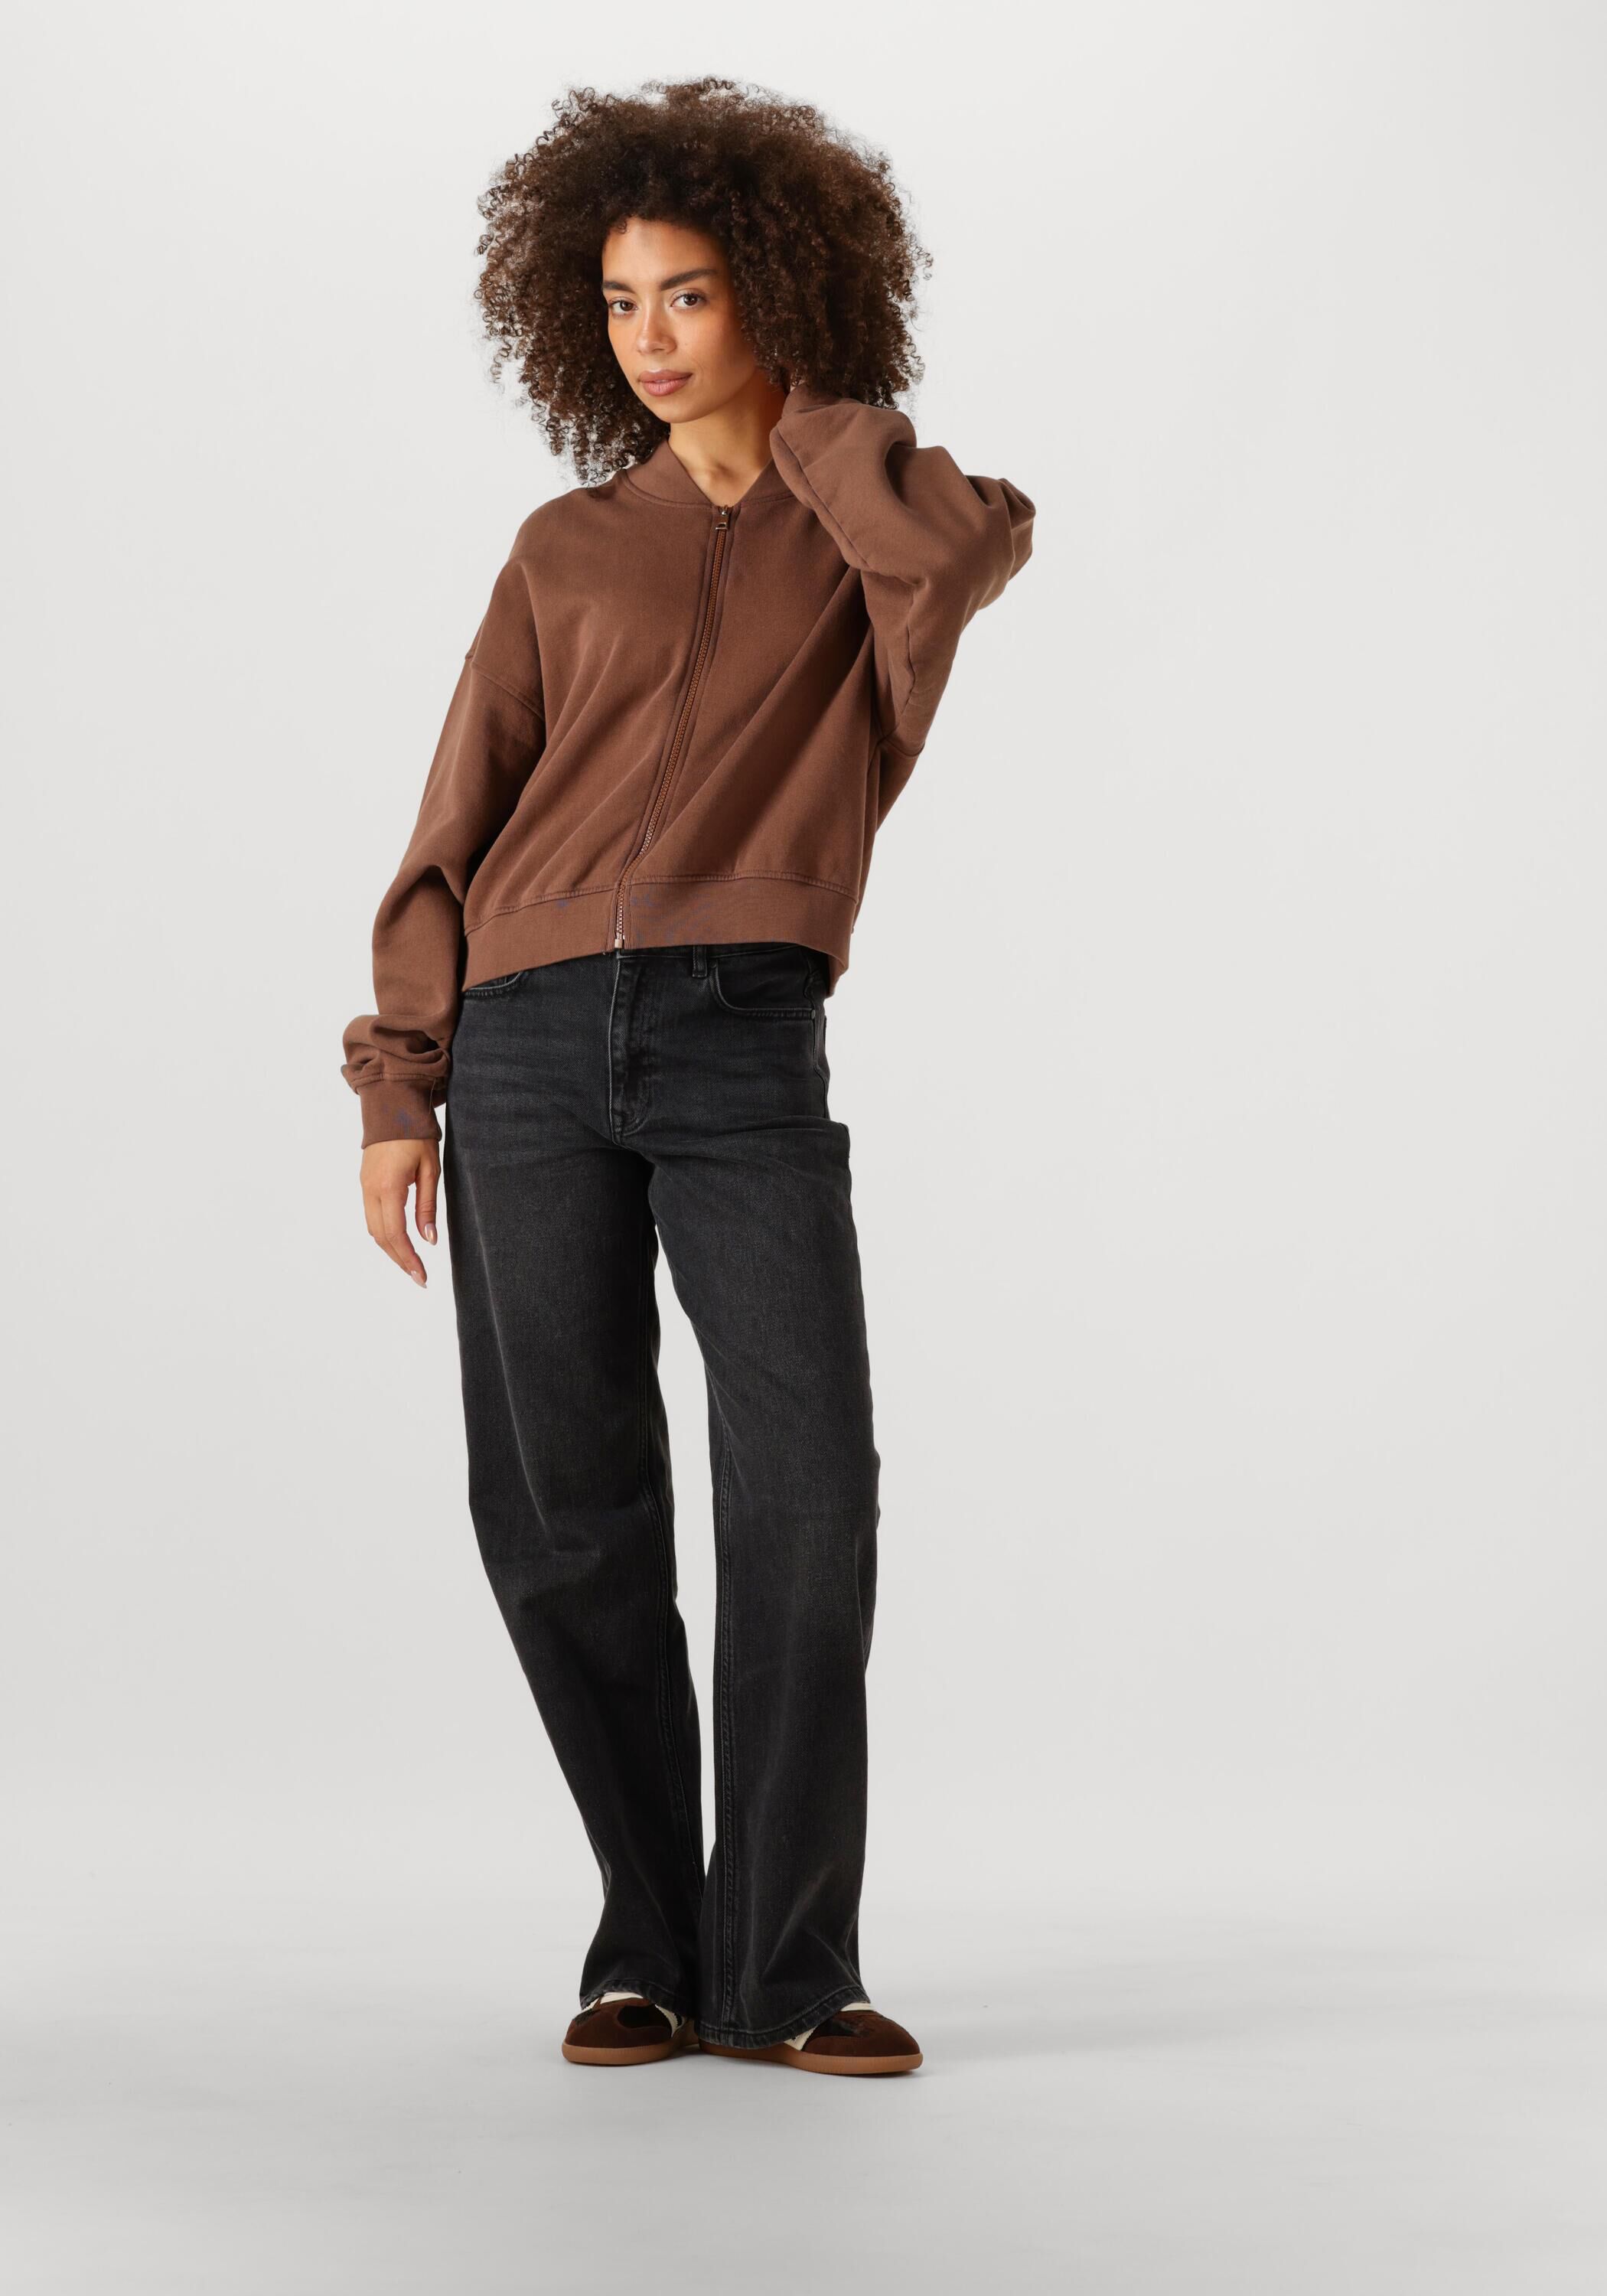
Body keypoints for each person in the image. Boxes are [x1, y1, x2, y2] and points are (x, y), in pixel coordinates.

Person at [341, 77, 1035, 2078]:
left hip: (742, 1037)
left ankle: (789, 1966)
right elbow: (458, 820)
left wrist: (808, 417)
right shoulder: (563, 546)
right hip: (526, 1045)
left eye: (694, 293)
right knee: (564, 1509)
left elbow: (963, 550)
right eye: (619, 300)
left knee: (806, 1495)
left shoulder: (880, 528)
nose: (648, 336)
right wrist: (399, 1085)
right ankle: (647, 1939)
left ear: (779, 295)